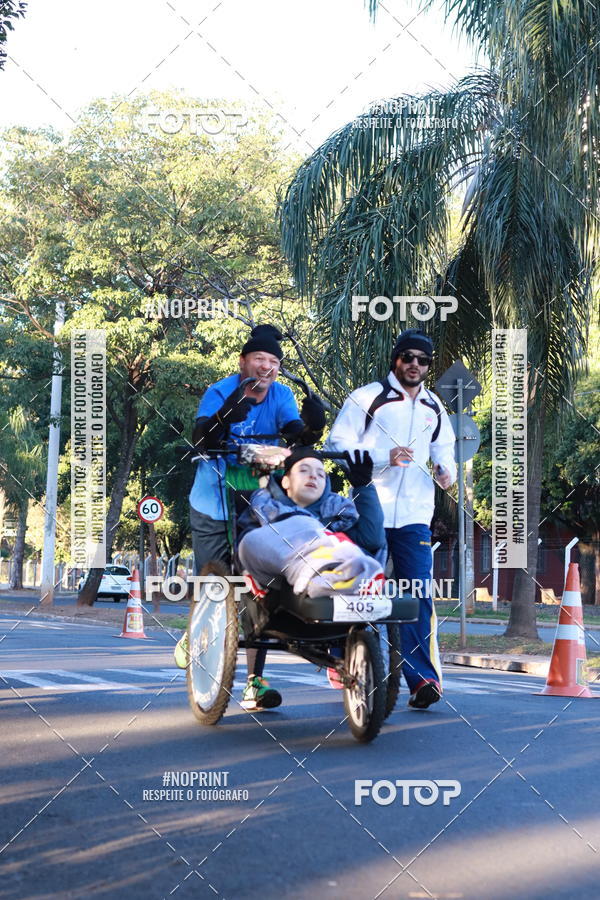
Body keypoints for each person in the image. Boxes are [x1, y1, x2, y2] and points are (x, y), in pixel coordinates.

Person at [175, 324, 326, 711]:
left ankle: (254, 682)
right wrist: (228, 413)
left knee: (255, 588)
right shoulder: (219, 390)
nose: (267, 367)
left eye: (274, 362)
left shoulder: (281, 395)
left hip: (258, 499)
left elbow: (295, 436)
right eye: (260, 359)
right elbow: (202, 437)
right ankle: (199, 635)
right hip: (213, 501)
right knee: (216, 581)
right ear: (243, 362)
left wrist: (313, 425)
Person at [325, 328, 456, 709]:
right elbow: (337, 443)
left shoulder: (433, 405)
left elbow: (443, 446)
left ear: (428, 366)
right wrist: (384, 455)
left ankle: (422, 681)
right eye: (408, 357)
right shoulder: (367, 397)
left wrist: (444, 469)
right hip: (371, 507)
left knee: (417, 594)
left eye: (423, 360)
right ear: (395, 359)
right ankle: (340, 656)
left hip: (416, 513)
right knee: (355, 586)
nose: (415, 365)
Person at [236, 446, 386, 706]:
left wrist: (364, 488)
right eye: (304, 470)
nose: (313, 476)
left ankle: (343, 575)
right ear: (285, 481)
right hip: (278, 592)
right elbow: (248, 548)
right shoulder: (265, 505)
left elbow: (373, 539)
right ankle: (323, 573)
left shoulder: (340, 511)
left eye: (320, 473)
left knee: (355, 550)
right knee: (289, 533)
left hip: (334, 574)